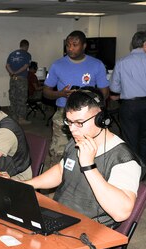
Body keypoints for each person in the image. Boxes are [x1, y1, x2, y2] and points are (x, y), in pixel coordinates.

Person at [25, 89, 141, 229]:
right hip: (61, 216)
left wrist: (89, 166)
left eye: (79, 122)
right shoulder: (78, 141)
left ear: (101, 119)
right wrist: (26, 185)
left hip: (90, 230)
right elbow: (61, 171)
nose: (73, 130)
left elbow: (121, 213)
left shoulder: (123, 158)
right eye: (69, 122)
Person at [44, 30, 109, 164]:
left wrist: (88, 97)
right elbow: (46, 92)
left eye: (75, 44)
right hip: (64, 114)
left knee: (87, 152)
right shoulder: (57, 65)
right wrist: (61, 93)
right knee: (58, 153)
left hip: (88, 116)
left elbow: (105, 92)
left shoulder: (97, 65)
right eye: (68, 45)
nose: (70, 48)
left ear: (84, 46)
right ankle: (57, 182)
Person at [109, 31, 146, 174]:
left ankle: (131, 173)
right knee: (145, 140)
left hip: (129, 106)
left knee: (129, 140)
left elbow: (114, 87)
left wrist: (126, 92)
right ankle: (143, 172)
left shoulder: (121, 62)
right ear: (145, 43)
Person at [5, 39, 32, 125]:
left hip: (13, 79)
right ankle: (21, 118)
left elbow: (7, 65)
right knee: (22, 98)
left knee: (13, 97)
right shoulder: (27, 55)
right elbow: (26, 66)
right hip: (21, 79)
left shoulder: (12, 54)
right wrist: (16, 73)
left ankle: (13, 118)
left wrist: (12, 73)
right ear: (27, 46)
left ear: (20, 45)